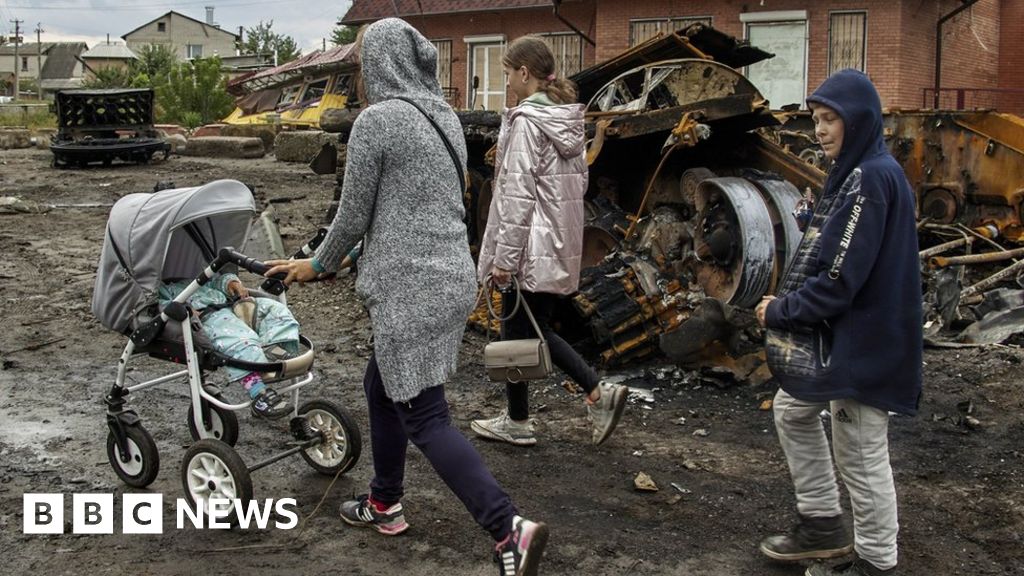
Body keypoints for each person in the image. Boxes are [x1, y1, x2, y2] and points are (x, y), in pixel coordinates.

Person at [264, 19, 547, 576]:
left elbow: (352, 214)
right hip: (448, 277)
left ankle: (508, 527)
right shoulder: (442, 114)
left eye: (363, 61)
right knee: (381, 385)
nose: (359, 73)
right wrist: (339, 261)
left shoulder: (378, 122)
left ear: (380, 63)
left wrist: (318, 263)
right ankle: (384, 501)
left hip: (410, 288)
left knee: (425, 415)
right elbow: (402, 210)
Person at [754, 69, 922, 576]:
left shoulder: (871, 178)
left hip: (866, 345)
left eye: (831, 119)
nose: (820, 130)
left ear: (860, 120)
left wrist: (779, 311)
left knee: (861, 452)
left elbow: (840, 279)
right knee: (793, 410)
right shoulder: (856, 174)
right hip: (849, 338)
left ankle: (876, 562)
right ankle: (823, 525)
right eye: (816, 120)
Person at [470, 35, 628, 448]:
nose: (506, 83)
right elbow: (580, 184)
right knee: (520, 329)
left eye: (507, 74)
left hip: (526, 248)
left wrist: (503, 259)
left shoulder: (527, 122)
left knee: (528, 329)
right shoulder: (565, 120)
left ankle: (595, 392)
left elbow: (517, 195)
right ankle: (519, 419)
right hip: (553, 242)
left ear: (525, 73)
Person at [158, 272, 297, 419]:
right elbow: (163, 307)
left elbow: (219, 280)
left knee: (276, 309)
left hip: (234, 307)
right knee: (240, 342)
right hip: (208, 320)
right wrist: (184, 310)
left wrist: (232, 283)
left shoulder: (196, 278)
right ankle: (259, 394)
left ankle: (274, 346)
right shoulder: (165, 289)